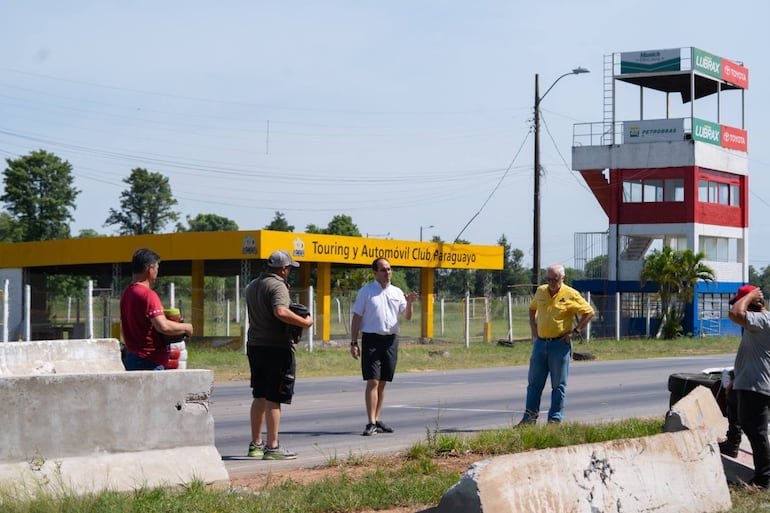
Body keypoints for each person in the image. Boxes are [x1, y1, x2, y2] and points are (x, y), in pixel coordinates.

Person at [245, 249, 313, 460]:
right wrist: (305, 322)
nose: (289, 273)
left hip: (255, 345)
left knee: (259, 395)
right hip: (276, 347)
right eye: (289, 269)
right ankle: (272, 447)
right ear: (283, 269)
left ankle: (256, 444)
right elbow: (280, 312)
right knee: (275, 397)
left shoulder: (253, 285)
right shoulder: (277, 285)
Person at [518, 263, 594, 425]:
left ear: (562, 279)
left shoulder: (571, 294)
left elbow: (589, 312)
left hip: (559, 344)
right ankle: (529, 419)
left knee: (558, 385)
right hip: (541, 343)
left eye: (555, 279)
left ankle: (554, 420)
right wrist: (533, 327)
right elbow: (532, 308)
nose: (551, 283)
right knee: (534, 384)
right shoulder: (541, 291)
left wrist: (575, 332)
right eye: (549, 279)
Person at [350, 257, 417, 436]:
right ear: (375, 272)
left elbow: (407, 316)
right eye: (383, 269)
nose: (387, 272)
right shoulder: (366, 292)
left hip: (390, 340)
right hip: (371, 339)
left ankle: (377, 419)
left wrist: (409, 302)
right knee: (373, 380)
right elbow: (356, 317)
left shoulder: (396, 292)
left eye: (389, 269)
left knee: (383, 382)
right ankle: (370, 422)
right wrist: (353, 342)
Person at [120, 248, 194, 371]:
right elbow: (163, 326)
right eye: (157, 268)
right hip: (150, 361)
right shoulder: (148, 295)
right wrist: (186, 327)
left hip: (132, 358)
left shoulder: (127, 293)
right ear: (150, 268)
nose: (157, 272)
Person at [728, 284, 770, 488]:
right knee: (751, 427)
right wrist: (737, 378)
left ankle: (764, 478)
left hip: (757, 386)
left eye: (743, 302)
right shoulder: (757, 325)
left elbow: (735, 313)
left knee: (756, 430)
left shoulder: (762, 320)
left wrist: (751, 296)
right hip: (748, 383)